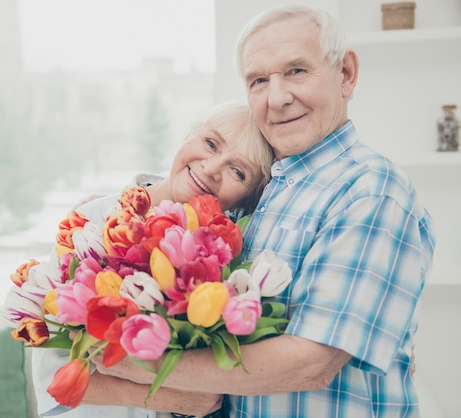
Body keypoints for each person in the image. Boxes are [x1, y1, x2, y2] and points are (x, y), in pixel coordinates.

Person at [92, 4, 436, 418]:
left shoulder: (370, 190)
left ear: (345, 74)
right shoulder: (263, 188)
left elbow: (311, 363)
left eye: (296, 71)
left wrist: (140, 364)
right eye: (258, 80)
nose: (277, 98)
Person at [30, 100, 274, 418]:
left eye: (238, 171)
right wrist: (167, 399)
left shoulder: (226, 265)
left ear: (247, 199)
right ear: (190, 135)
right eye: (211, 143)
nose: (212, 169)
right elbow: (53, 381)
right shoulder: (92, 222)